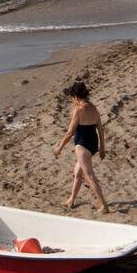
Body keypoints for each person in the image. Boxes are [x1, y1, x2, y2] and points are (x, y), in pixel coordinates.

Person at [52, 81, 111, 212]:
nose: (72, 101)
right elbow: (100, 129)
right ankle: (71, 199)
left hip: (82, 146)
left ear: (76, 96)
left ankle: (103, 205)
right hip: (93, 145)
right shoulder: (94, 108)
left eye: (72, 98)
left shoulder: (78, 110)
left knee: (89, 176)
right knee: (77, 173)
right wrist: (102, 148)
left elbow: (70, 132)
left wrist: (59, 148)